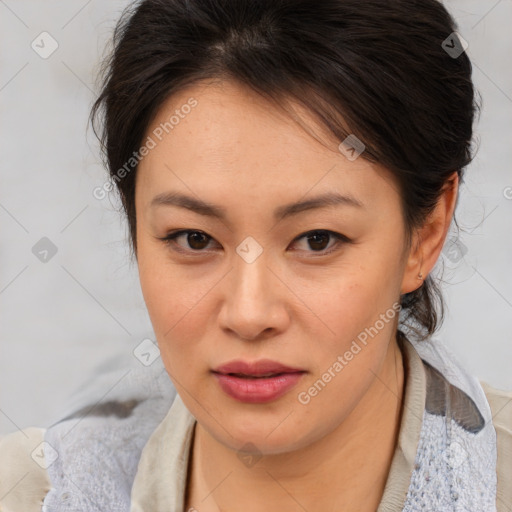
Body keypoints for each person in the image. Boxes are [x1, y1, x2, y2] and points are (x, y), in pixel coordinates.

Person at [1, 0, 511, 510]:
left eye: (317, 239)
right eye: (194, 239)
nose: (249, 315)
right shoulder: (30, 493)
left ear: (426, 233)